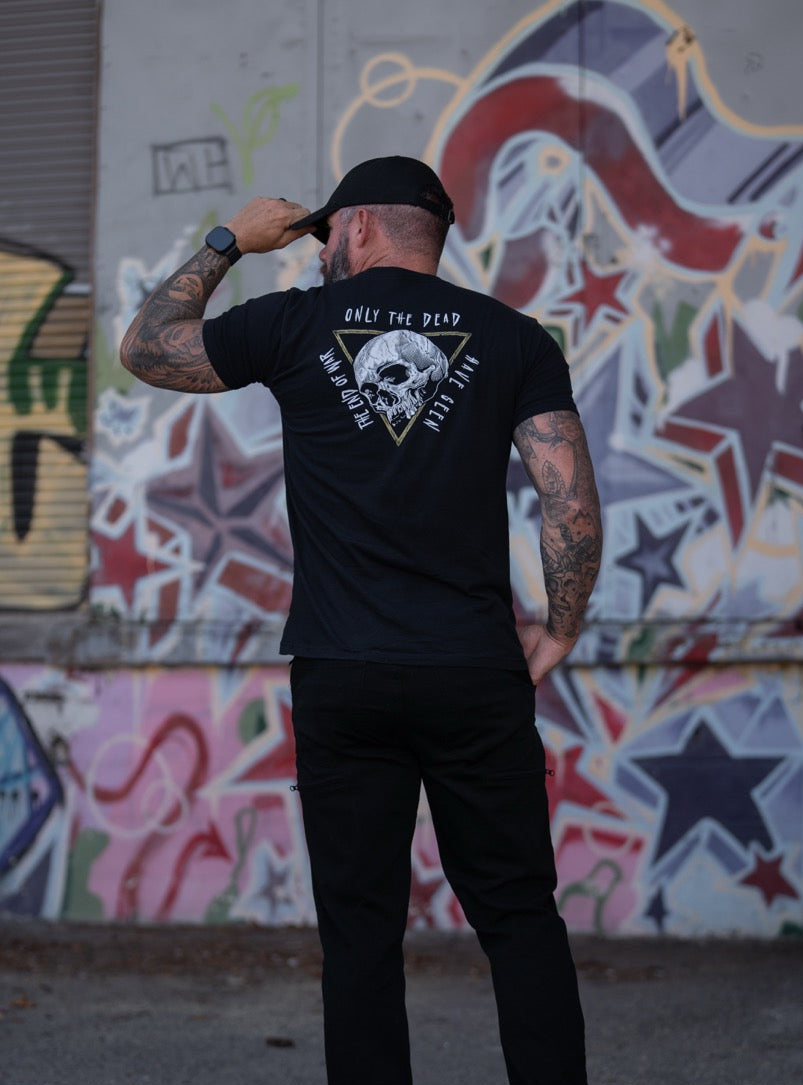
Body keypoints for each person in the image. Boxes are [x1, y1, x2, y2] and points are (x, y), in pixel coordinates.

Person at [120, 155, 602, 1085]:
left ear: (361, 226)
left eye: (324, 232)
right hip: (472, 669)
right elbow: (568, 501)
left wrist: (230, 242)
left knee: (359, 932)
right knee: (517, 916)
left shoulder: (293, 324)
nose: (319, 249)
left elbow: (148, 346)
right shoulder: (514, 339)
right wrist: (560, 628)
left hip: (341, 669)